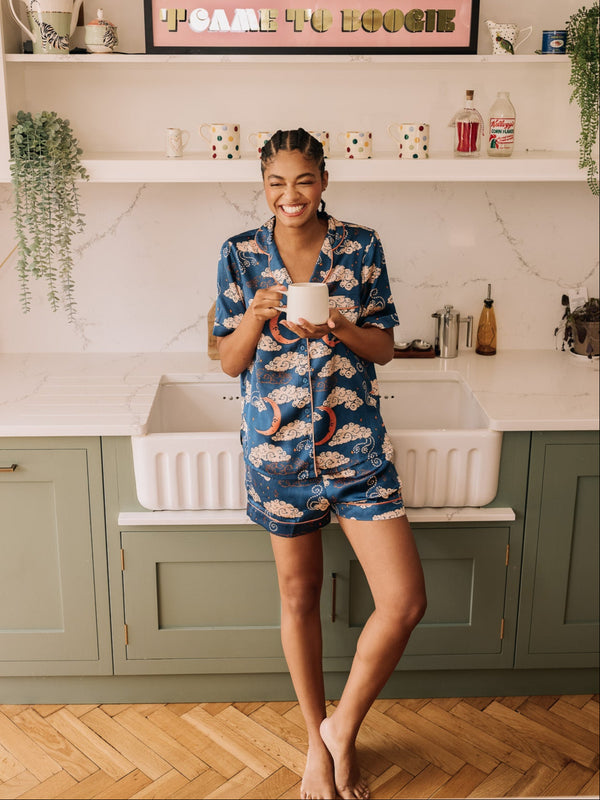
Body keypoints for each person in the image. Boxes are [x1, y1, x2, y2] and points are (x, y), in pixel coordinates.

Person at [213, 128, 427, 800]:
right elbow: (228, 361)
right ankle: (316, 741)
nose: (291, 194)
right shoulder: (240, 254)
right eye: (276, 182)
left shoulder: (361, 246)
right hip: (277, 454)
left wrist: (338, 325)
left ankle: (342, 729)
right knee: (299, 597)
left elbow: (384, 347)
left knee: (405, 601)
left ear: (323, 182)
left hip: (356, 451)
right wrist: (254, 319)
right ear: (264, 185)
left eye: (303, 179)